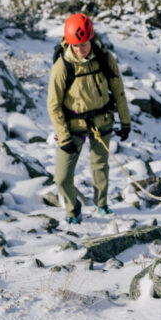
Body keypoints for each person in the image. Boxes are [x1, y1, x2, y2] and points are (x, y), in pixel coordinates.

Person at [48, 13, 131, 223]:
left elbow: (118, 90)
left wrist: (125, 121)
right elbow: (54, 105)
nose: (80, 50)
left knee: (100, 166)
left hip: (102, 122)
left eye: (83, 44)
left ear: (91, 40)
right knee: (62, 178)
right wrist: (63, 136)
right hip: (73, 127)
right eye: (75, 45)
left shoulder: (104, 58)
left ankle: (101, 204)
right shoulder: (62, 67)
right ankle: (73, 209)